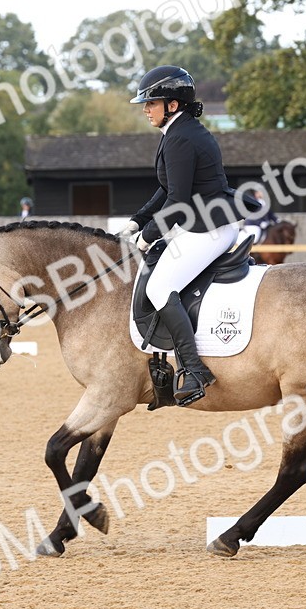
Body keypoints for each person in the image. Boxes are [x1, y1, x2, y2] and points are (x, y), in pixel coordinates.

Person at [120, 65, 244, 406]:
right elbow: (167, 189)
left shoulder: (181, 137)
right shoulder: (177, 133)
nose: (145, 109)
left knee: (160, 287)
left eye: (151, 103)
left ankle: (194, 370)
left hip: (211, 227)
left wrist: (148, 235)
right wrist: (138, 221)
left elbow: (177, 200)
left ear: (172, 104)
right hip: (203, 221)